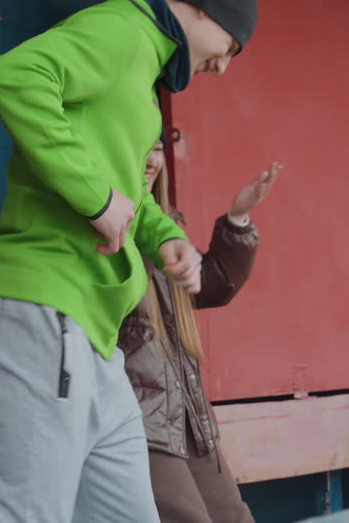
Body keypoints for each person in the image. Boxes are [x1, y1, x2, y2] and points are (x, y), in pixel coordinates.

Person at [0, 0, 258, 523]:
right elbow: (15, 76)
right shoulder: (123, 29)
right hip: (43, 315)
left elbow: (127, 192)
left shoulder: (142, 75)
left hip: (95, 341)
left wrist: (166, 238)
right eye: (230, 43)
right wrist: (96, 197)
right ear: (200, 8)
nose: (222, 65)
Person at [120, 138, 281, 523]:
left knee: (235, 517)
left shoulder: (165, 228)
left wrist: (238, 218)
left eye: (157, 147)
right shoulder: (106, 223)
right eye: (141, 146)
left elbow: (211, 283)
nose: (152, 159)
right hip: (141, 415)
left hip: (187, 414)